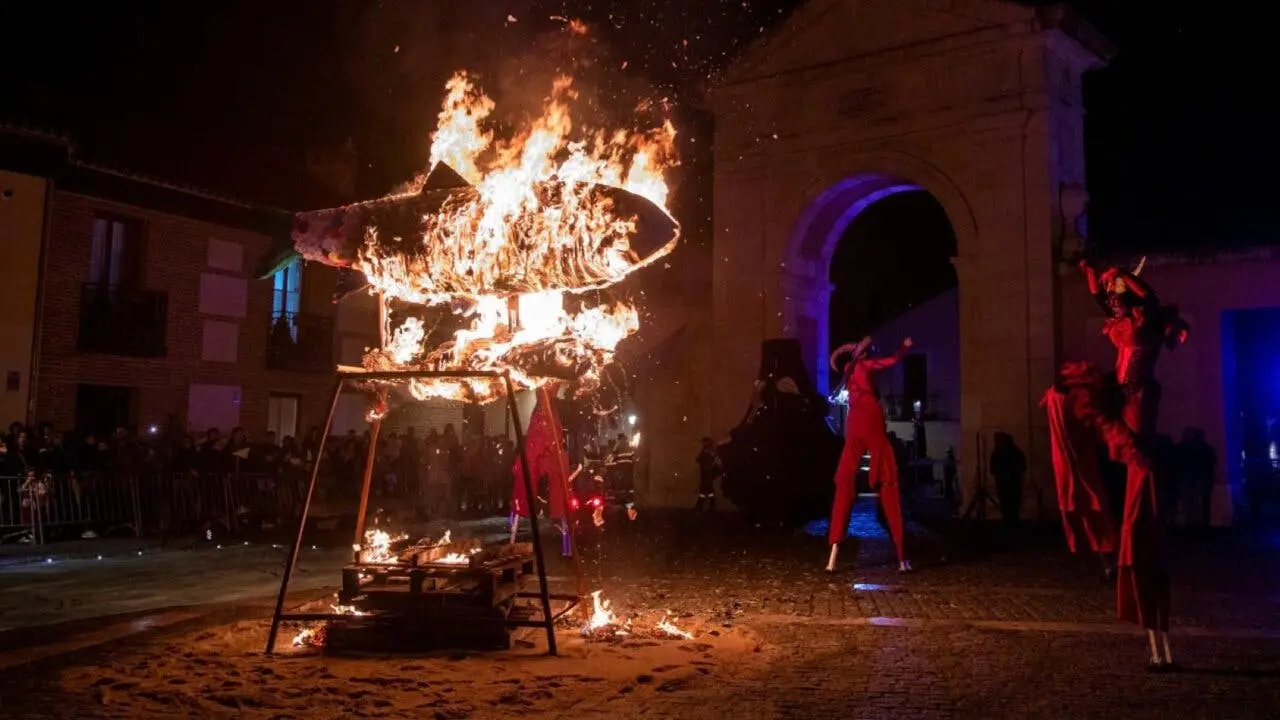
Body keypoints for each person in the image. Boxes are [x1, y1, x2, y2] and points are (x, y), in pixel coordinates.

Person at [825, 335, 913, 573]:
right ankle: (902, 558)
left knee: (846, 478)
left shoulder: (849, 368)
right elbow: (890, 361)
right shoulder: (864, 365)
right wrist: (903, 348)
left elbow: (839, 360)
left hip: (855, 421)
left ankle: (833, 558)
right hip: (869, 418)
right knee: (886, 477)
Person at [989, 432, 1027, 527]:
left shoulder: (1012, 452)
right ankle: (1009, 519)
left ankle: (1011, 520)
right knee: (1006, 502)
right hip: (1005, 481)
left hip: (1011, 482)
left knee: (1011, 502)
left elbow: (1022, 466)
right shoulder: (999, 452)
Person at [694, 437, 722, 513]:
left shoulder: (708, 451)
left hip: (707, 474)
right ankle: (710, 507)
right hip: (707, 474)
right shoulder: (708, 450)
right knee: (709, 491)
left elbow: (699, 459)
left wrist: (709, 467)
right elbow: (699, 459)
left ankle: (699, 507)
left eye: (704, 442)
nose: (702, 443)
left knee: (703, 491)